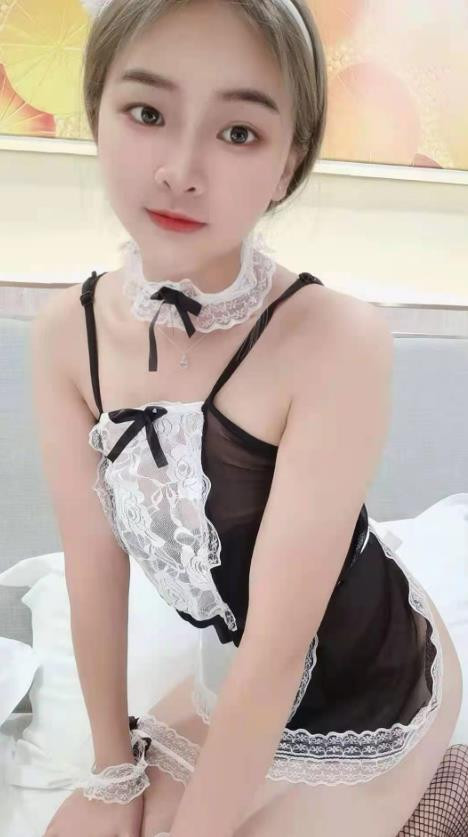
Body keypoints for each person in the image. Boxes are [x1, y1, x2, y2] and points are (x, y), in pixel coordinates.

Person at [31, 1, 464, 836]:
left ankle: (443, 781)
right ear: (98, 110)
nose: (181, 170)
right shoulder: (66, 335)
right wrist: (114, 774)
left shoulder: (336, 339)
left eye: (238, 132)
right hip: (231, 672)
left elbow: (278, 644)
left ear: (288, 159)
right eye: (147, 113)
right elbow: (93, 575)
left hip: (370, 679)